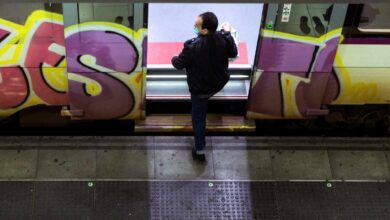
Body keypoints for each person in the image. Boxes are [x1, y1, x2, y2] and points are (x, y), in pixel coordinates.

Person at [171, 12, 238, 162]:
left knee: (198, 118)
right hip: (219, 82)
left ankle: (200, 150)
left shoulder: (191, 46)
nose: (194, 27)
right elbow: (233, 52)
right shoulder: (223, 38)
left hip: (200, 90)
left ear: (205, 30)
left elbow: (178, 64)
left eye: (197, 25)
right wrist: (227, 33)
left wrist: (173, 57)